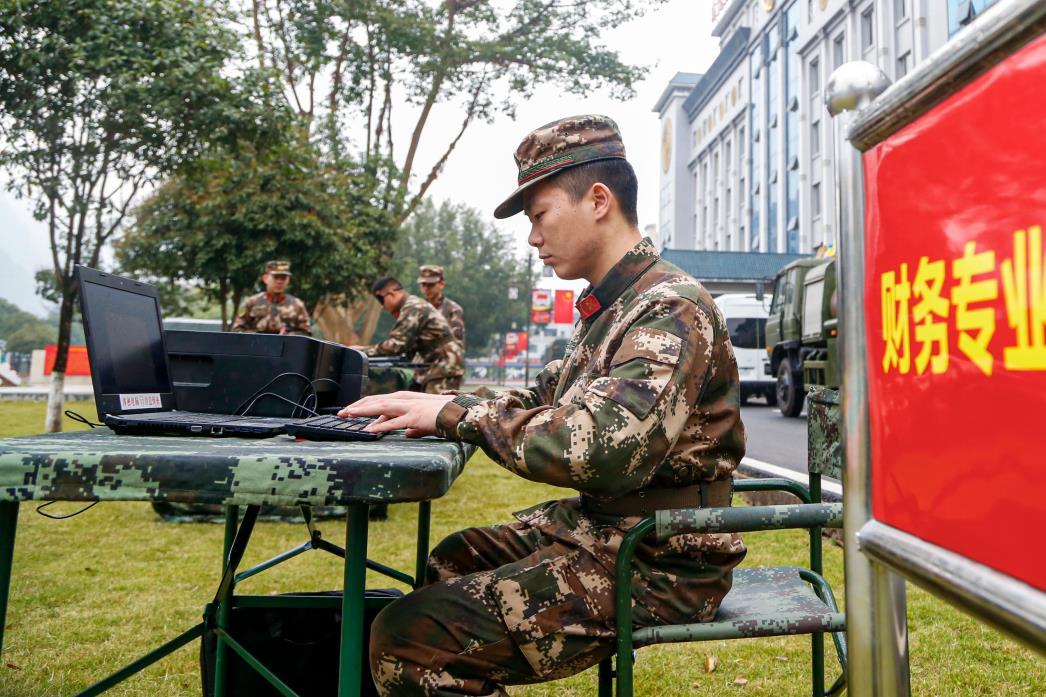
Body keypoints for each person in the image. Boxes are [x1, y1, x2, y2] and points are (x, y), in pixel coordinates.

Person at [341, 114, 747, 696]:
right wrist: (439, 402)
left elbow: (600, 448)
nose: (533, 236)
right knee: (455, 559)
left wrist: (460, 417)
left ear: (598, 200)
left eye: (539, 214)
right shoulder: (615, 307)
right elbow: (543, 397)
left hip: (661, 562)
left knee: (408, 638)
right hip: (615, 533)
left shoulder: (667, 309)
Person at [359, 277, 465, 393]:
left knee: (436, 407)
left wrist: (362, 351)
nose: (383, 306)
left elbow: (397, 345)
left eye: (380, 299)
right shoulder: (411, 305)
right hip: (436, 363)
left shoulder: (413, 307)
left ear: (391, 294)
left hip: (444, 363)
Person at [231, 260, 312, 335]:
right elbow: (237, 330)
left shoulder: (297, 305)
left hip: (286, 349)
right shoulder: (251, 303)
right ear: (265, 278)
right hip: (256, 348)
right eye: (276, 277)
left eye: (283, 278)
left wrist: (289, 336)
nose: (279, 282)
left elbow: (306, 334)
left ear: (288, 280)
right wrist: (256, 335)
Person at [417, 264, 466, 350]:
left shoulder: (453, 310)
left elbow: (457, 343)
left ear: (441, 284)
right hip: (416, 361)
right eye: (423, 285)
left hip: (442, 360)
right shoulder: (417, 309)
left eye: (431, 285)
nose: (426, 289)